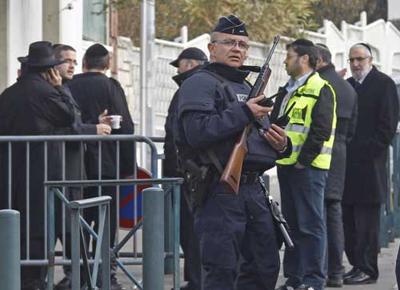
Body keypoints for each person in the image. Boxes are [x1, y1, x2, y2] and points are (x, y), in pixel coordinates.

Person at [177, 15, 290, 290]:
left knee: (264, 267)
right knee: (221, 271)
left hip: (253, 191)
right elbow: (197, 132)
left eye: (242, 44)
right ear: (212, 47)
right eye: (229, 42)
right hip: (219, 189)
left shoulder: (246, 87)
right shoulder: (199, 83)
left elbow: (258, 140)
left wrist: (282, 145)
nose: (237, 49)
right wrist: (244, 111)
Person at [0, 41, 76, 290]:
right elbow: (68, 116)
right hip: (43, 172)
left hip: (10, 171)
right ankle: (33, 281)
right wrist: (60, 88)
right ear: (50, 70)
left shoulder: (9, 93)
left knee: (14, 227)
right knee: (40, 230)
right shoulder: (47, 92)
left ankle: (15, 279)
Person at [67, 43, 135, 290]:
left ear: (84, 63)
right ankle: (106, 275)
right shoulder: (111, 87)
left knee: (79, 221)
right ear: (107, 65)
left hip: (77, 167)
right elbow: (126, 127)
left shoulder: (69, 86)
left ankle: (78, 275)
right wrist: (129, 166)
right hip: (108, 167)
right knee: (106, 224)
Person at [271, 39, 337, 290]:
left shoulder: (322, 88)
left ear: (304, 59)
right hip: (286, 165)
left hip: (308, 168)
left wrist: (302, 162)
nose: (285, 61)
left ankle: (313, 280)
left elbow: (320, 131)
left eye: (289, 56)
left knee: (311, 226)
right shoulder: (288, 89)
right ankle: (295, 278)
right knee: (292, 225)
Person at [51, 44, 112, 290]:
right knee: (63, 229)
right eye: (67, 60)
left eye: (75, 61)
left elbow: (71, 122)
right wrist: (92, 129)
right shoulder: (54, 91)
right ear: (52, 64)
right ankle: (74, 278)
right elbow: (65, 127)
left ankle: (76, 277)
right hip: (59, 171)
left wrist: (92, 124)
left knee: (71, 230)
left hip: (70, 171)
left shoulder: (64, 88)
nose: (72, 65)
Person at [342, 43, 399, 285]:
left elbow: (387, 126)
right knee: (350, 221)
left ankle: (368, 268)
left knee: (367, 222)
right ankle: (356, 264)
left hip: (371, 165)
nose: (355, 64)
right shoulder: (350, 86)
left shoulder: (383, 83)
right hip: (348, 165)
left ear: (370, 59)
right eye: (352, 60)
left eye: (360, 59)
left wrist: (369, 151)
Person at [164, 47, 208, 290]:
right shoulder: (198, 86)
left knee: (191, 228)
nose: (178, 70)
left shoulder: (190, 89)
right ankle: (197, 279)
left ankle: (197, 281)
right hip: (189, 171)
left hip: (187, 172)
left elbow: (177, 133)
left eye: (180, 65)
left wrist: (177, 168)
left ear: (190, 64)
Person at [315, 43, 358, 288]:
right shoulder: (348, 88)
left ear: (318, 60)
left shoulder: (317, 84)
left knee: (315, 214)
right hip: (340, 152)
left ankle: (318, 271)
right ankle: (336, 272)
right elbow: (353, 129)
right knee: (334, 212)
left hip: (318, 153)